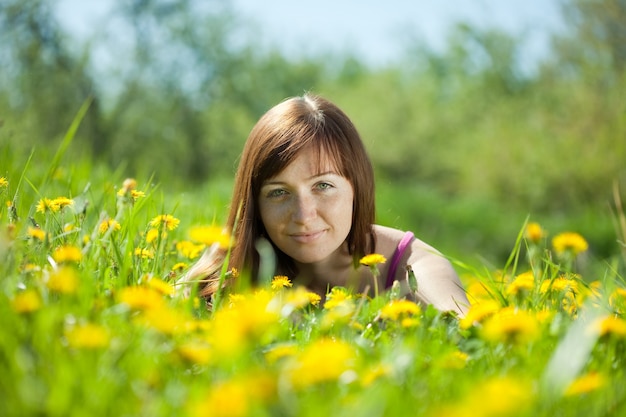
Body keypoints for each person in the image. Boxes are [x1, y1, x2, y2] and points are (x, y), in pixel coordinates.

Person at [180, 93, 468, 316]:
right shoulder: (231, 267)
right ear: (255, 202)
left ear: (357, 186)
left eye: (323, 186)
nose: (304, 215)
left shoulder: (413, 266)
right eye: (279, 192)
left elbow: (466, 333)